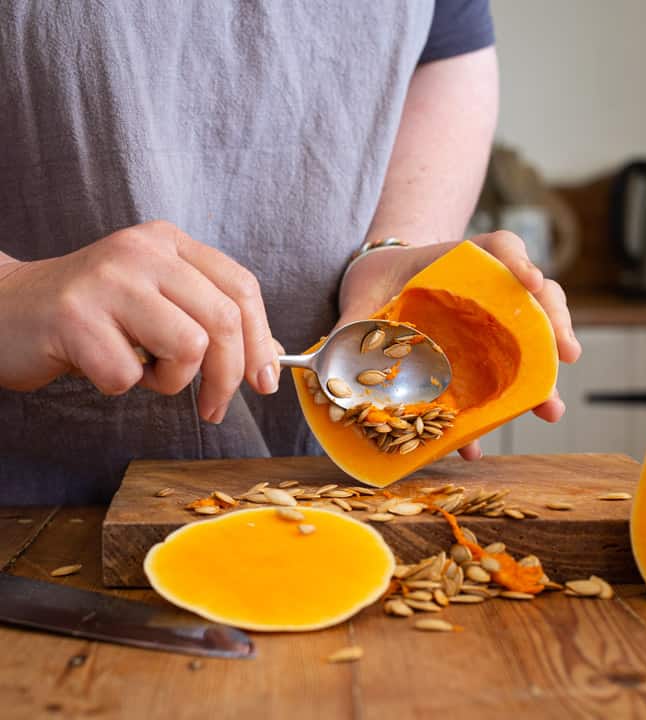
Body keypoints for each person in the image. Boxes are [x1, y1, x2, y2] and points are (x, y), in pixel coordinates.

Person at [0, 1, 581, 505]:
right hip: (33, 510)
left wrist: (389, 251)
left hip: (323, 495)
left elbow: (442, 53)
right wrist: (10, 289)